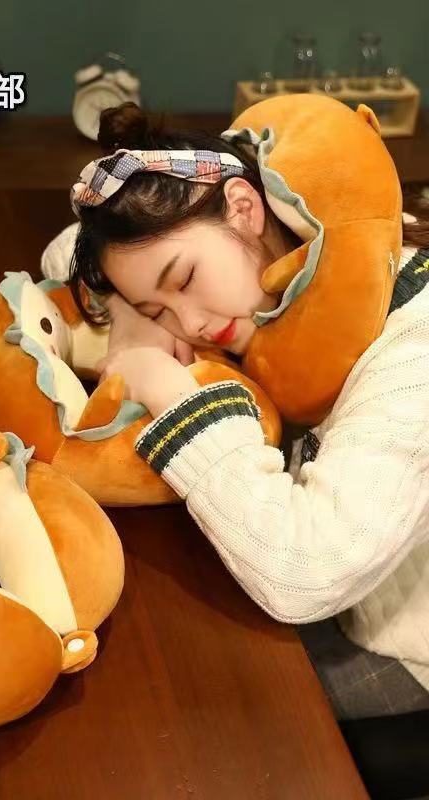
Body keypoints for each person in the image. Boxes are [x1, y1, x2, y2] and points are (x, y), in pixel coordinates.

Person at [66, 102, 429, 799]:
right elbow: (67, 251)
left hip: (400, 639)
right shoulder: (284, 234)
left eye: (184, 280)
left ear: (243, 207)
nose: (194, 324)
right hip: (346, 586)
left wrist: (167, 387)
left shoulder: (414, 348)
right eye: (164, 310)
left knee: (163, 708)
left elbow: (304, 572)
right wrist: (130, 321)